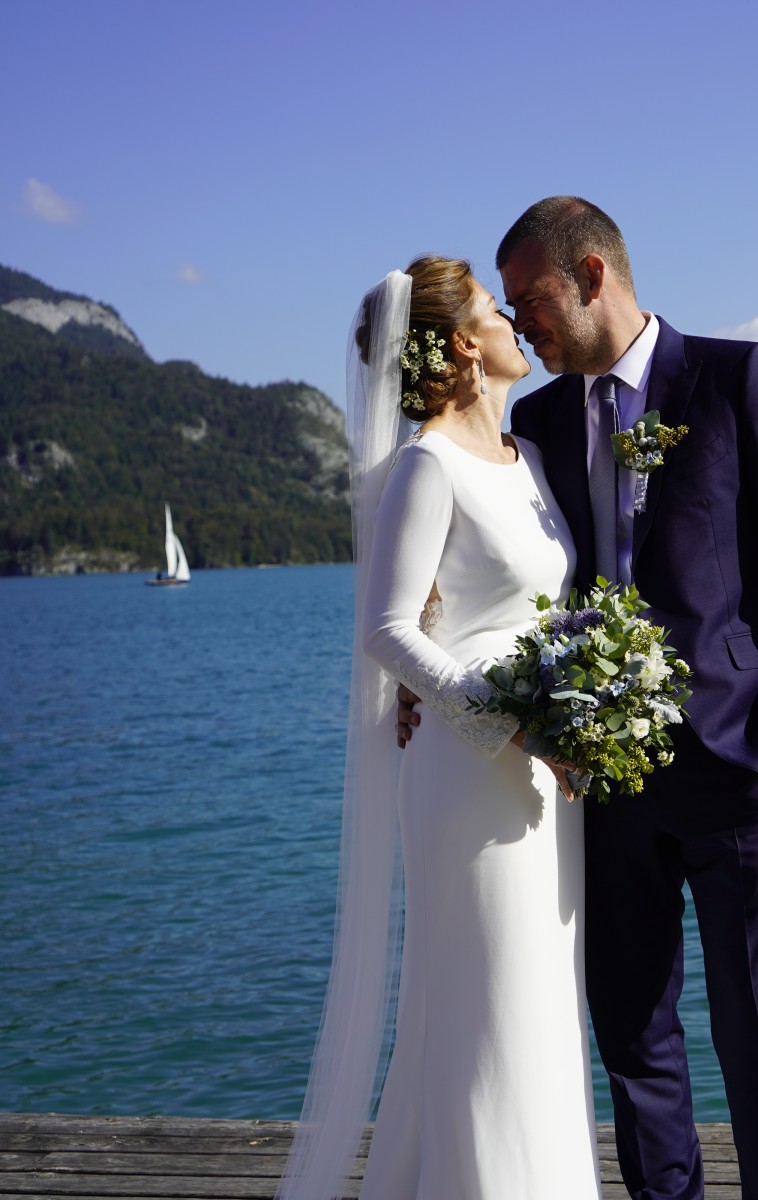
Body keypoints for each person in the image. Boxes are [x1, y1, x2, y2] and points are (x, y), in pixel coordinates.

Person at [405, 197, 758, 1200]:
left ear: (594, 275)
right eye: (508, 309)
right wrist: (428, 662)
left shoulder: (738, 378)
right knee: (635, 1037)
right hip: (599, 790)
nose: (522, 328)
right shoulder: (540, 420)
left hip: (740, 765)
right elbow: (499, 572)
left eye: (533, 301)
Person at [278, 257, 601, 1200]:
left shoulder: (527, 457)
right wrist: (514, 730)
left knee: (539, 1007)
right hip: (472, 777)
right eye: (501, 311)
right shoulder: (426, 463)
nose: (517, 322)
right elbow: (385, 628)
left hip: (545, 781)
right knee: (488, 1009)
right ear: (465, 342)